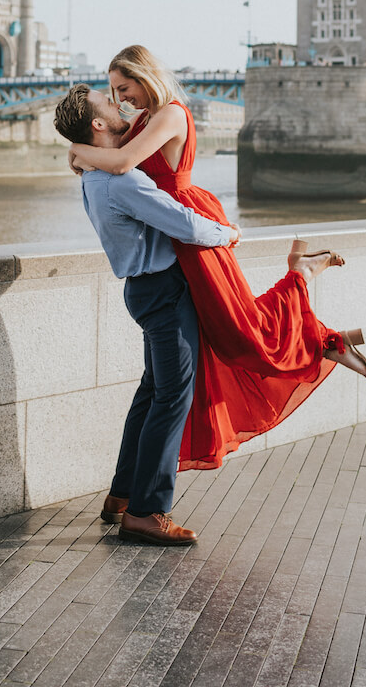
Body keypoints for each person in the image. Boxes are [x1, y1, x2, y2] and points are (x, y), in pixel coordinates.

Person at [66, 45, 366, 472]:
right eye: (113, 92)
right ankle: (318, 318)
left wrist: (80, 153)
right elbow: (112, 148)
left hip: (189, 226)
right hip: (174, 231)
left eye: (124, 87)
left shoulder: (170, 113)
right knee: (227, 332)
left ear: (144, 75)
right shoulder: (142, 120)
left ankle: (321, 329)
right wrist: (82, 148)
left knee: (237, 330)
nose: (120, 99)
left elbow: (119, 163)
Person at [53, 83, 240, 546]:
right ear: (98, 125)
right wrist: (228, 232)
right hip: (165, 292)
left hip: (142, 291)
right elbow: (183, 223)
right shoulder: (121, 179)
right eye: (108, 103)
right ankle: (147, 510)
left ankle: (121, 496)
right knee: (173, 396)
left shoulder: (93, 177)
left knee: (152, 392)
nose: (119, 106)